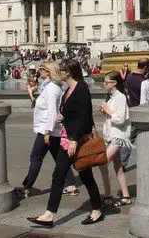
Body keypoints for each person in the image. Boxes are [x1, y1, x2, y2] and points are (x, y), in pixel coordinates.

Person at [27, 59, 103, 228]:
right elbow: (70, 112)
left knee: (86, 175)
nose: (59, 72)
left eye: (61, 70)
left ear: (68, 72)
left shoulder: (81, 89)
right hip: (67, 138)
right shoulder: (68, 89)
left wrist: (75, 140)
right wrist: (62, 116)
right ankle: (49, 214)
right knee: (59, 174)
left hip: (78, 140)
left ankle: (97, 209)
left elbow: (84, 117)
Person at [16, 61, 78, 198]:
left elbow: (51, 112)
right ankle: (71, 185)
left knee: (36, 157)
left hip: (47, 129)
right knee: (59, 158)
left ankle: (26, 187)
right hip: (52, 128)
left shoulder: (51, 88)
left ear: (48, 72)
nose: (39, 71)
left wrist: (47, 132)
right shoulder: (52, 87)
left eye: (42, 69)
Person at [98, 70, 133, 208]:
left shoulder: (120, 97)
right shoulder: (112, 97)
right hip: (112, 136)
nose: (104, 84)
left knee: (102, 163)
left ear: (114, 83)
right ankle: (126, 196)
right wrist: (105, 111)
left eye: (106, 82)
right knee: (117, 167)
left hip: (118, 137)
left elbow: (120, 119)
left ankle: (107, 195)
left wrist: (107, 110)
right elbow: (113, 116)